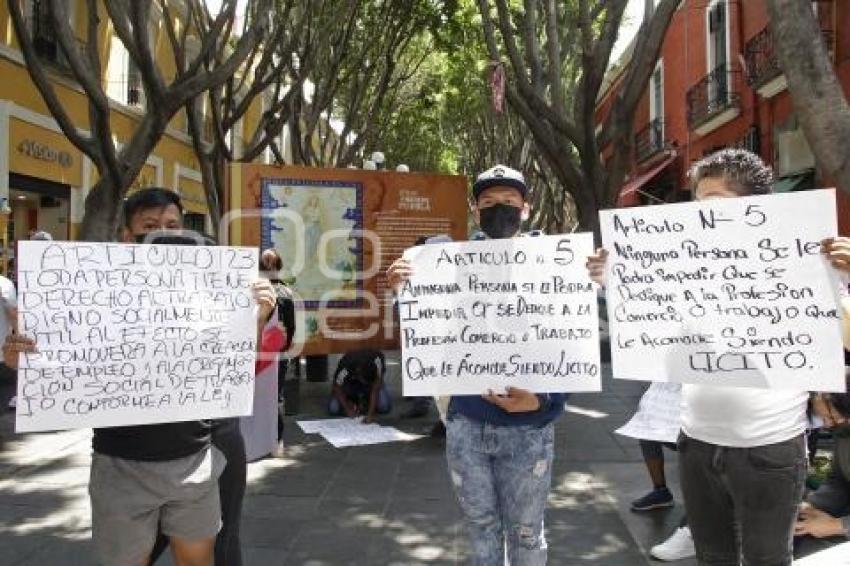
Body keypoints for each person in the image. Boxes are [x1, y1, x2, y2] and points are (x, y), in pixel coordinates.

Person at [587, 149, 850, 565]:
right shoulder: (684, 262)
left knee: (766, 557)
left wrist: (846, 278)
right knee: (713, 556)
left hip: (770, 449)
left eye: (715, 207)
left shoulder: (807, 262)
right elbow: (651, 326)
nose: (703, 219)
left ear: (756, 209)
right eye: (698, 206)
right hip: (696, 444)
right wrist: (615, 280)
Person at [5, 188, 276, 566]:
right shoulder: (94, 294)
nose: (164, 234)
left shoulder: (207, 290)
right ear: (127, 238)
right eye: (150, 226)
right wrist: (24, 362)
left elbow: (233, 368)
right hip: (122, 464)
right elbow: (62, 360)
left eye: (172, 225)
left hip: (193, 459)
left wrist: (257, 317)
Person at [387, 164, 567, 564]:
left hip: (530, 429)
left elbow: (572, 344)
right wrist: (406, 291)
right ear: (474, 209)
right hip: (468, 424)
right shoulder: (447, 264)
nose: (498, 209)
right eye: (488, 203)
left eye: (508, 202)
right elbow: (428, 331)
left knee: (527, 533)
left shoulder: (556, 265)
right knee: (480, 526)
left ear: (526, 207)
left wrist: (545, 400)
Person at [259, 248, 297, 455]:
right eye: (265, 262)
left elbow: (290, 327)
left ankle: (276, 438)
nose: (268, 266)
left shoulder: (284, 291)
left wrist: (281, 348)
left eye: (271, 262)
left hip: (275, 354)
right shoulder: (255, 288)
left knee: (274, 398)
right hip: (258, 351)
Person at [328, 349, 390, 423]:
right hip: (349, 385)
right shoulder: (346, 365)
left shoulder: (377, 360)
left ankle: (364, 403)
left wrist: (370, 414)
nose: (365, 383)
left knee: (384, 406)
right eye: (364, 381)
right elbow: (337, 387)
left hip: (370, 387)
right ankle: (354, 402)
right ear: (358, 372)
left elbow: (375, 388)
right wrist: (347, 409)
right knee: (334, 408)